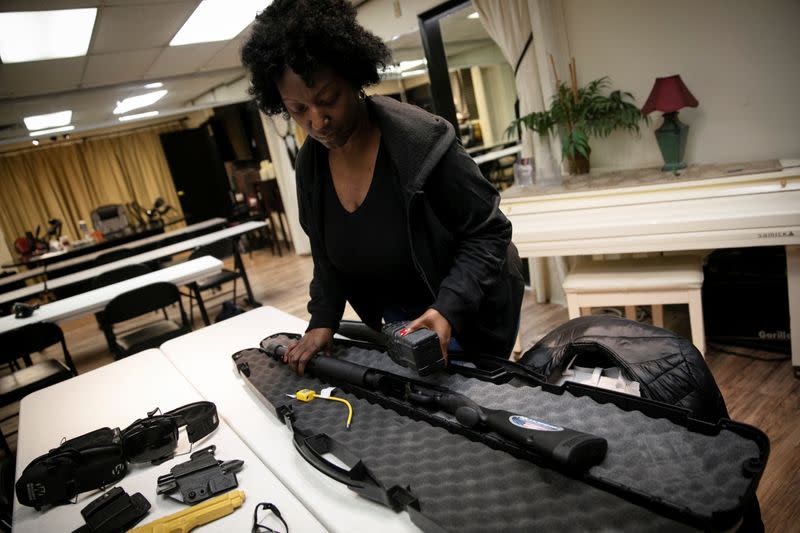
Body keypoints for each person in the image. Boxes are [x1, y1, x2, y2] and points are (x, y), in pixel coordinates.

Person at [241, 0, 525, 375]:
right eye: (297, 109)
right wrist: (323, 319)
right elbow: (327, 258)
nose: (317, 120)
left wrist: (447, 309)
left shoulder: (424, 142)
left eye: (328, 100)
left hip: (469, 310)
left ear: (354, 78)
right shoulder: (310, 167)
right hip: (396, 315)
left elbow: (490, 233)